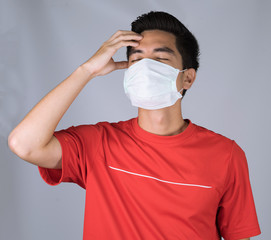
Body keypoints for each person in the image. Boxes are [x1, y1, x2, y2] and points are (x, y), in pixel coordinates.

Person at [8, 11, 261, 240]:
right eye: (137, 59)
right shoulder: (99, 143)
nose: (146, 67)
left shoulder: (227, 155)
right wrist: (87, 70)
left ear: (187, 77)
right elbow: (24, 143)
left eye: (160, 58)